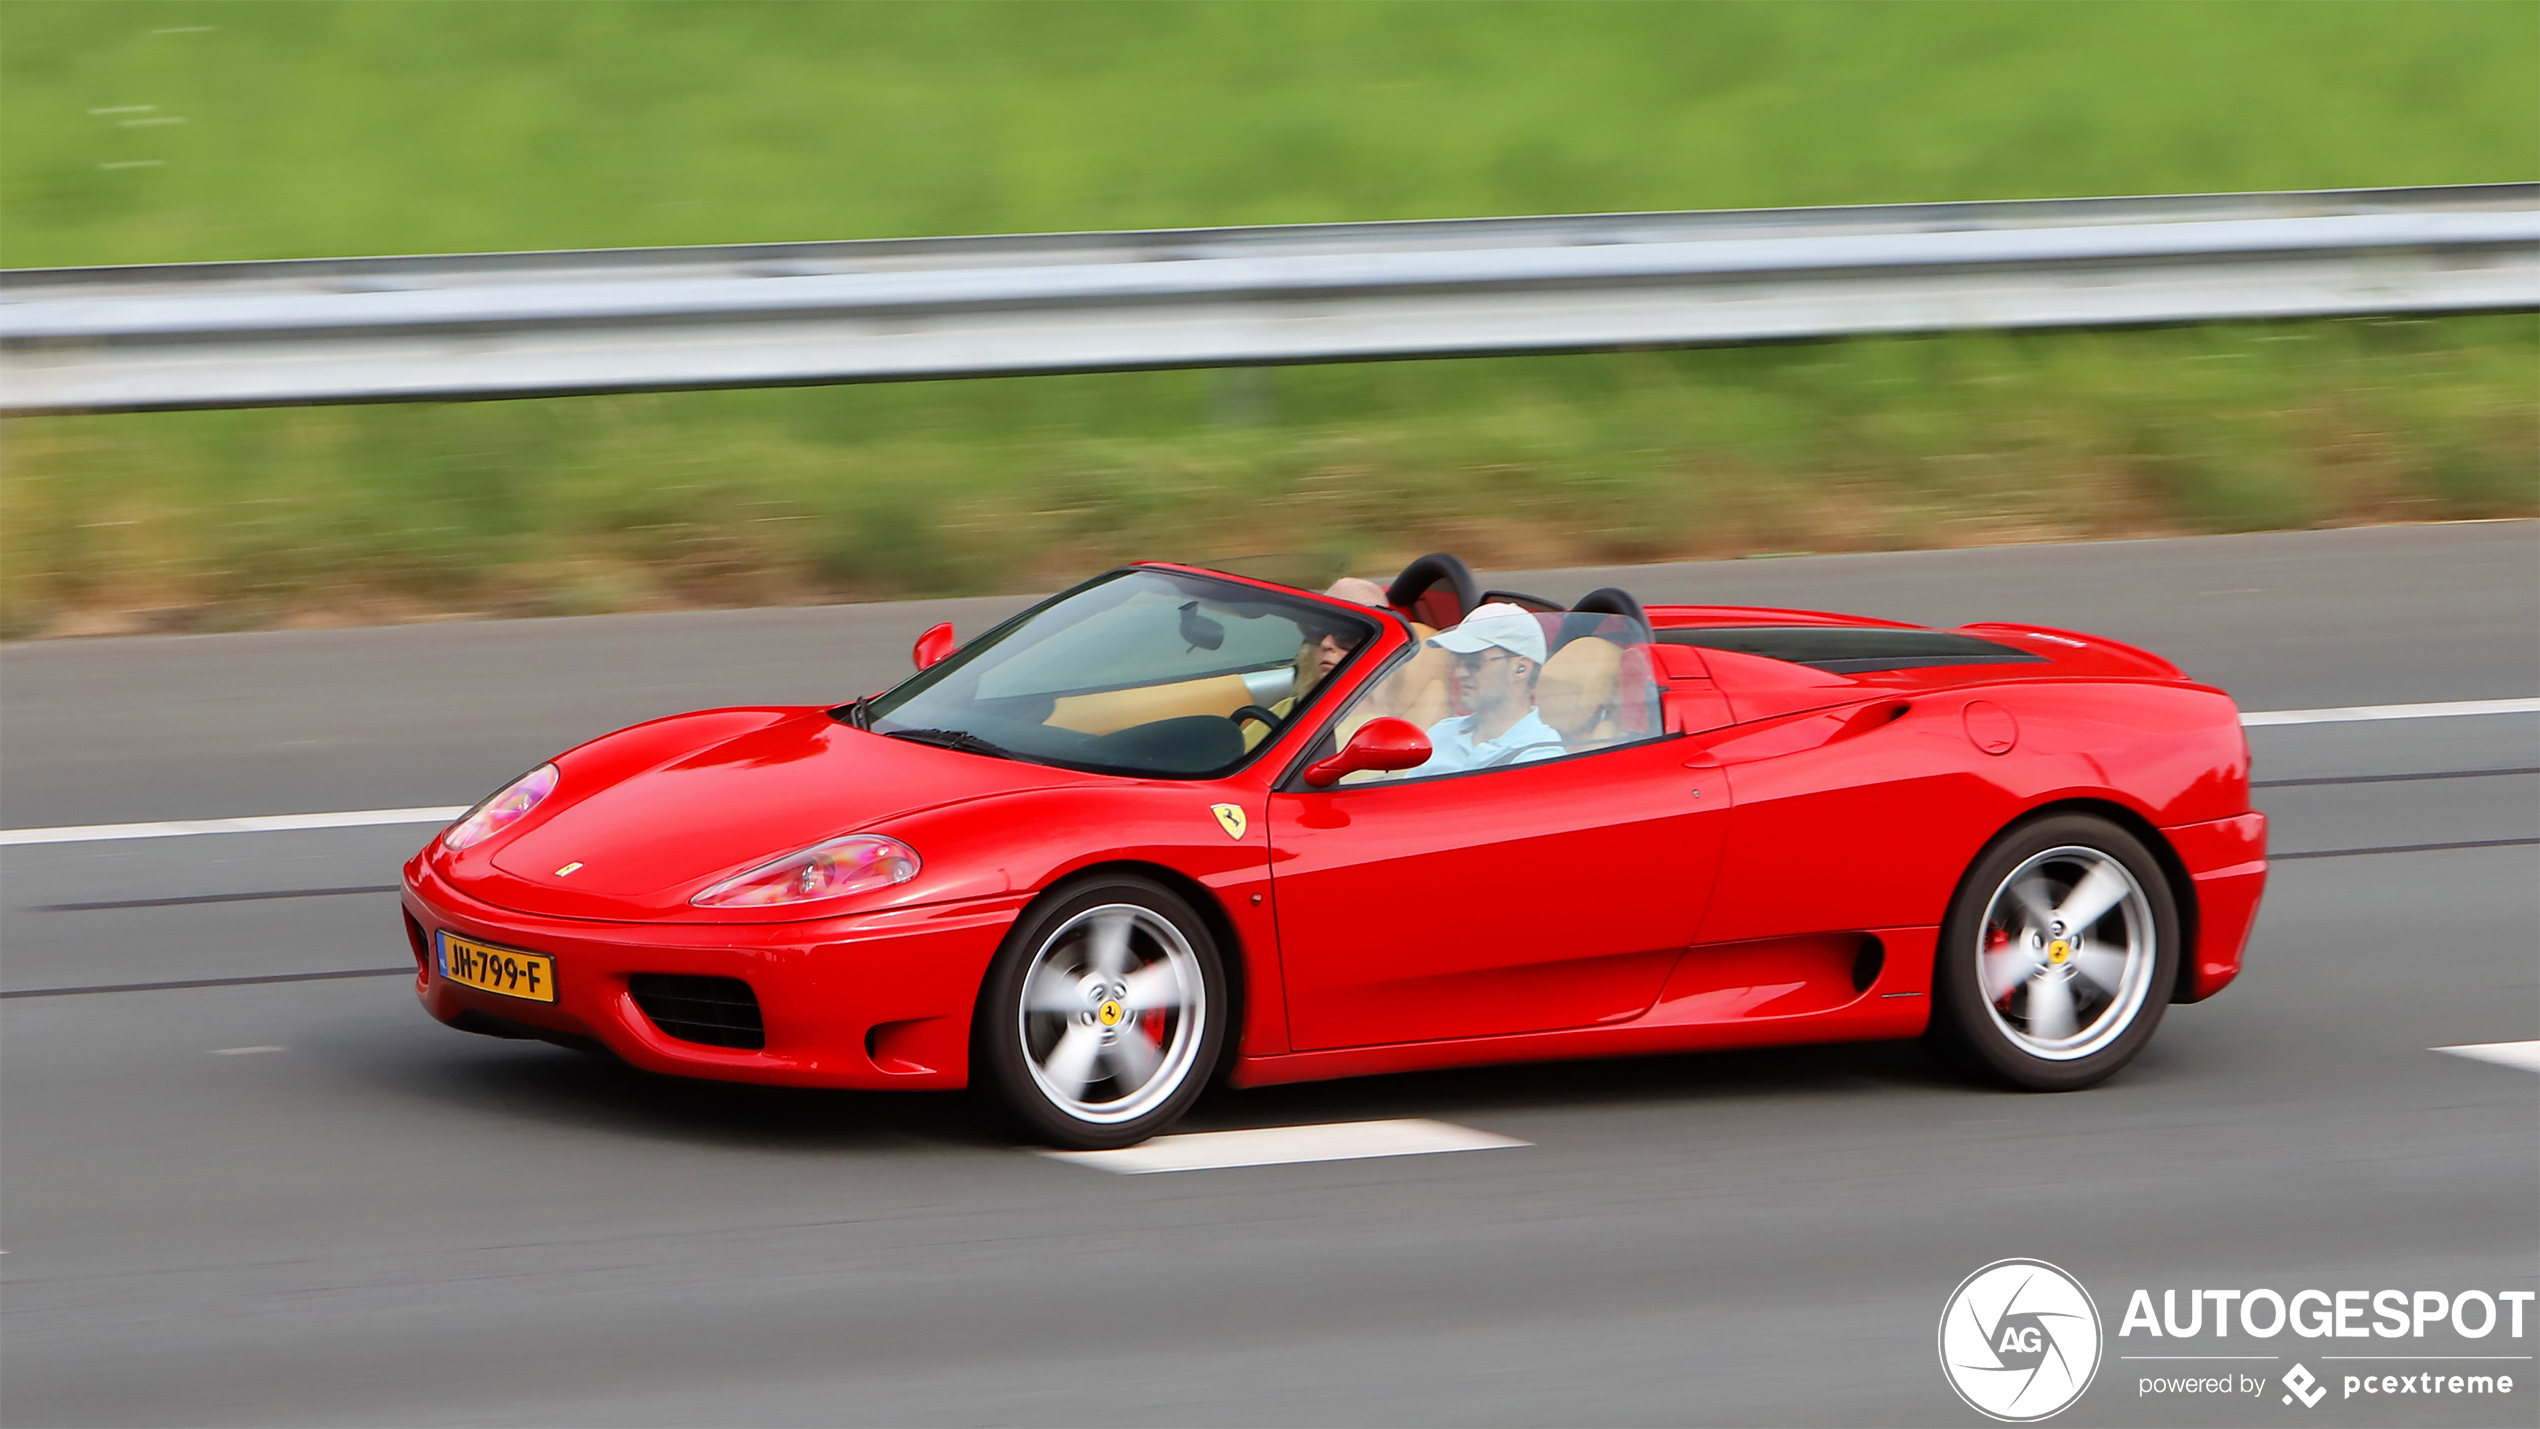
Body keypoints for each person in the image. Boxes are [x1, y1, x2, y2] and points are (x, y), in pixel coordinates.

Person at [1418, 601, 1566, 774]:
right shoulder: (1441, 733)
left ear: (1521, 668)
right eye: (1456, 660)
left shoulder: (1540, 758)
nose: (1459, 672)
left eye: (1473, 662)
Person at [1243, 577, 1388, 750]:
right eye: (1317, 630)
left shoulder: (1395, 724)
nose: (1326, 644)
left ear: (1381, 644)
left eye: (1347, 634)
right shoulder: (1288, 711)